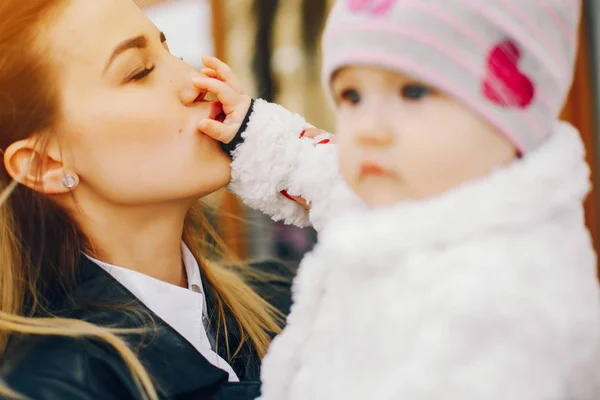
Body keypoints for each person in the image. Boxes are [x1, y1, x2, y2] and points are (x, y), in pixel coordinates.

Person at [202, 0, 600, 398]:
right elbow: (323, 171)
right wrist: (249, 130)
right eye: (352, 97)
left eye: (412, 91)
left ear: (513, 113)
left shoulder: (505, 301)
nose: (368, 130)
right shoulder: (417, 194)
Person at [0, 1, 296, 399]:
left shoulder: (294, 296)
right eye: (138, 71)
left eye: (170, 51)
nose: (196, 80)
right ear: (44, 164)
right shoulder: (52, 385)